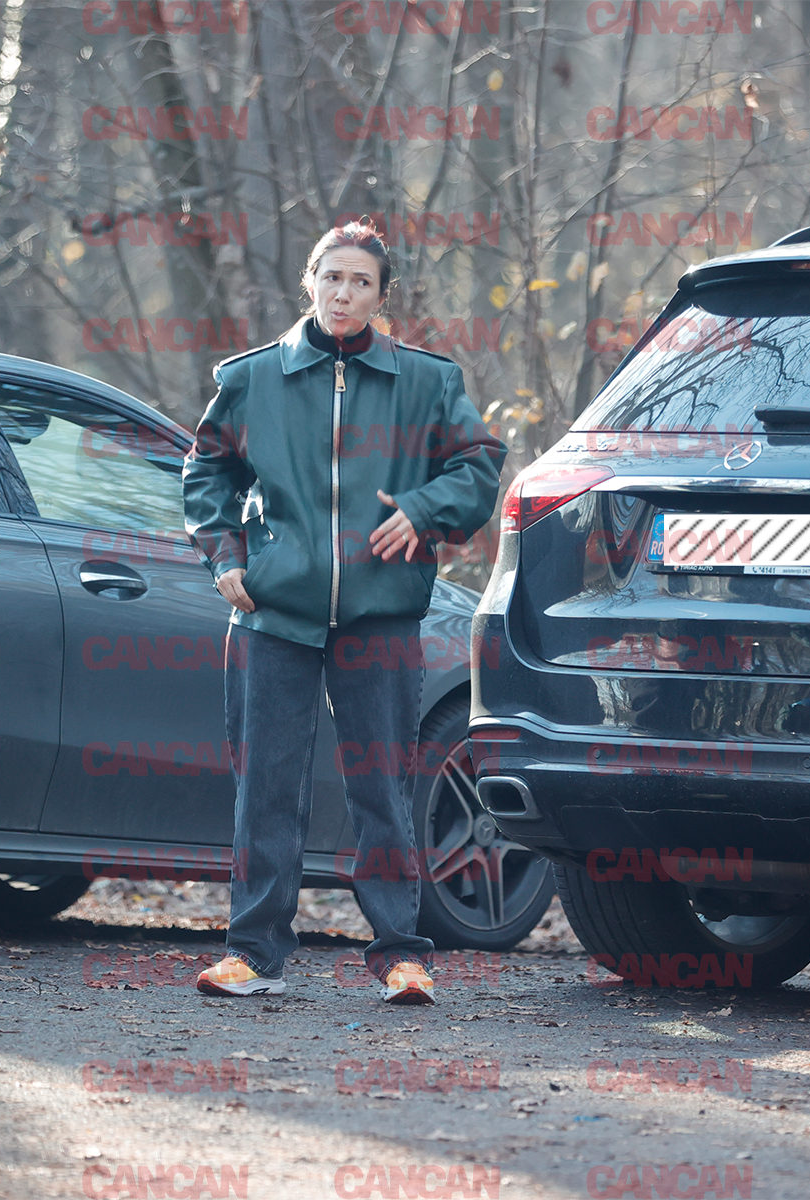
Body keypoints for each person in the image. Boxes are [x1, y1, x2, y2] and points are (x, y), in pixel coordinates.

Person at [182, 221, 506, 1004]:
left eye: (361, 282)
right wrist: (225, 555)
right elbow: (208, 470)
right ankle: (254, 955)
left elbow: (480, 465)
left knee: (383, 787)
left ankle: (401, 955)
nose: (343, 293)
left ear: (381, 296)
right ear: (310, 281)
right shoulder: (252, 378)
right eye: (332, 278)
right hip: (273, 613)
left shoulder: (427, 382)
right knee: (266, 785)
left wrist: (424, 510)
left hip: (379, 613)